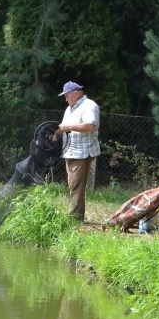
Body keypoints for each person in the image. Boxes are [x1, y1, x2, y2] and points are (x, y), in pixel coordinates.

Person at [56, 81, 100, 222]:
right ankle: (77, 217)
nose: (66, 98)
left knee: (76, 186)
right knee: (74, 186)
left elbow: (90, 126)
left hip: (82, 152)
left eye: (67, 95)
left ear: (76, 93)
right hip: (70, 152)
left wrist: (68, 126)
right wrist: (53, 135)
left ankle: (73, 220)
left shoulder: (89, 106)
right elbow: (63, 128)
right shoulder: (70, 109)